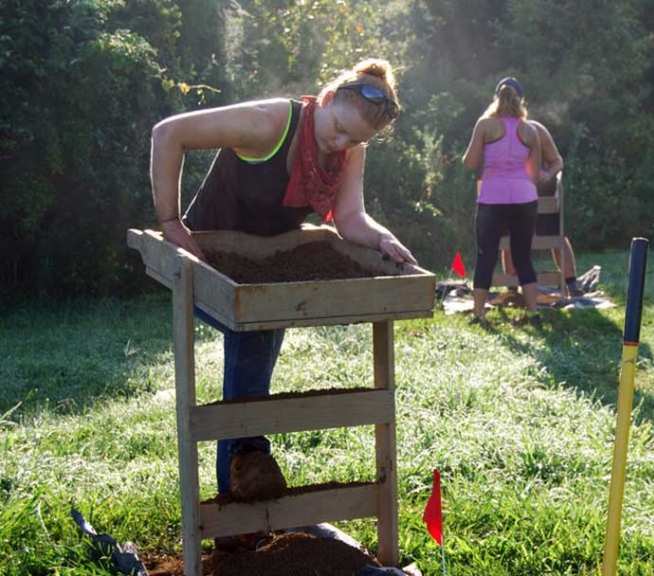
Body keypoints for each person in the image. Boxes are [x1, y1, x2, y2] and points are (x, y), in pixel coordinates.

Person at [149, 58, 415, 549]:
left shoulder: (350, 147)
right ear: (328, 98)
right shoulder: (267, 123)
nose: (341, 146)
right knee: (252, 342)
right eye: (338, 131)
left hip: (272, 270)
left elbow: (351, 218)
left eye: (354, 141)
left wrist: (382, 240)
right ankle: (243, 485)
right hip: (209, 257)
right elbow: (168, 133)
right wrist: (170, 223)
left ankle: (245, 485)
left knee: (258, 337)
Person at [462, 76, 542, 327]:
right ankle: (533, 314)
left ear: (496, 97)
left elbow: (469, 164)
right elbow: (535, 173)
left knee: (486, 256)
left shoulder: (485, 125)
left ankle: (478, 314)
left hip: (492, 196)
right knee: (523, 256)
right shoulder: (530, 130)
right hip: (524, 197)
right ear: (521, 99)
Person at [499, 119, 584, 298]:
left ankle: (572, 283)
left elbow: (557, 162)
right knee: (508, 234)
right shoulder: (494, 132)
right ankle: (512, 287)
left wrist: (549, 174)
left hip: (541, 191)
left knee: (555, 234)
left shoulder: (537, 130)